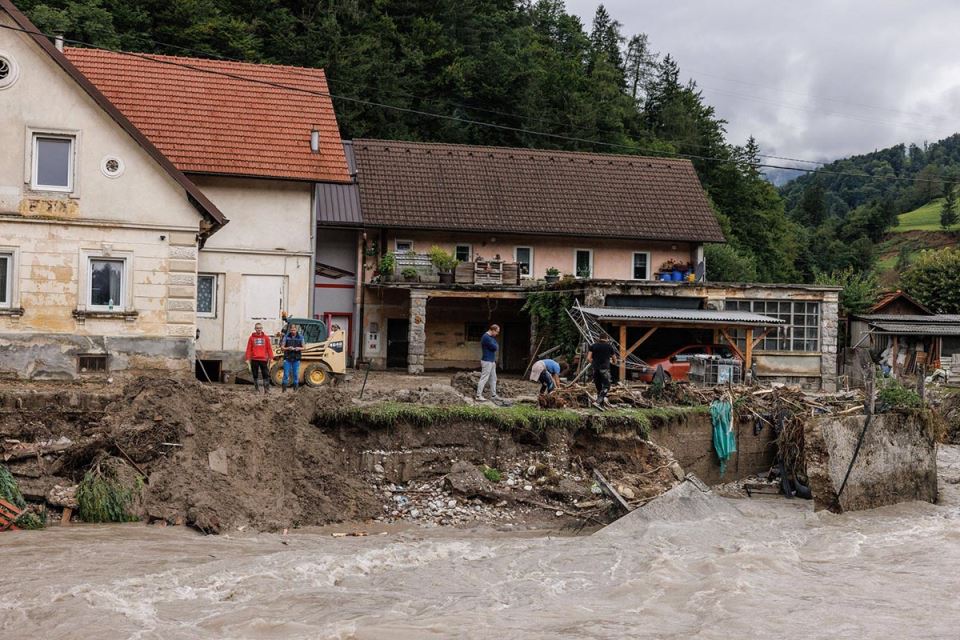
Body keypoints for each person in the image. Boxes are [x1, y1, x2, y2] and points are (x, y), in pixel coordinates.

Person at [587, 335, 618, 409]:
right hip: (604, 369)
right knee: (607, 386)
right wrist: (612, 362)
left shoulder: (593, 346)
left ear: (599, 338)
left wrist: (594, 363)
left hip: (595, 369)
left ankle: (601, 405)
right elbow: (615, 360)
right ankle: (598, 402)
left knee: (599, 387)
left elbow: (588, 358)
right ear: (607, 339)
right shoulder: (609, 347)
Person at [244, 322, 273, 394]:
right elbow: (248, 349)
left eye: (260, 328)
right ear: (255, 329)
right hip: (254, 359)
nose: (258, 329)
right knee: (255, 375)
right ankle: (257, 390)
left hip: (263, 359)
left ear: (262, 329)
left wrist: (271, 357)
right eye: (257, 328)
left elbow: (269, 348)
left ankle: (267, 390)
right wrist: (247, 359)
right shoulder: (251, 338)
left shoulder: (266, 338)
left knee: (265, 375)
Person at [476, 324, 500, 401]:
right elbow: (495, 347)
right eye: (497, 332)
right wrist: (495, 345)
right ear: (492, 330)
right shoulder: (486, 337)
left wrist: (495, 345)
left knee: (493, 378)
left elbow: (496, 346)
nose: (497, 334)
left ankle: (493, 395)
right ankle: (478, 396)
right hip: (487, 361)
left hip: (492, 361)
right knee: (484, 378)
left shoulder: (491, 337)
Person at [281, 324, 305, 392]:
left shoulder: (301, 337)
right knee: (286, 374)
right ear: (290, 330)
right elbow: (282, 347)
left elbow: (304, 347)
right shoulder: (286, 337)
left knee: (296, 375)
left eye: (294, 330)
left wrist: (298, 348)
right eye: (291, 330)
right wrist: (288, 348)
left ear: (296, 330)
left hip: (296, 358)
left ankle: (295, 390)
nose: (293, 331)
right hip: (287, 358)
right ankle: (284, 390)